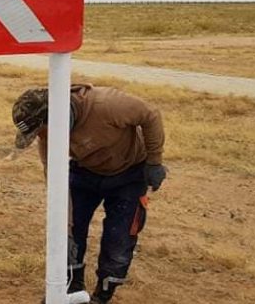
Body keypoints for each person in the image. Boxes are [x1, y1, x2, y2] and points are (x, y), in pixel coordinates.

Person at [12, 84, 167, 304]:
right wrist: (65, 230)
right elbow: (58, 189)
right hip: (84, 172)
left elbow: (150, 114)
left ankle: (103, 295)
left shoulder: (107, 105)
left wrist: (154, 162)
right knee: (70, 235)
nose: (40, 138)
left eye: (40, 131)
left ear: (58, 119)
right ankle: (72, 288)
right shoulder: (48, 141)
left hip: (129, 175)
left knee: (119, 239)